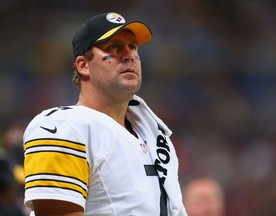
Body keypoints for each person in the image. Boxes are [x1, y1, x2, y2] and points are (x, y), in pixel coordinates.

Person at [23, 12, 187, 216]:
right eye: (114, 47)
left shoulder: (155, 135)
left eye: (133, 47)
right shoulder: (63, 127)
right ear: (83, 66)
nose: (130, 55)